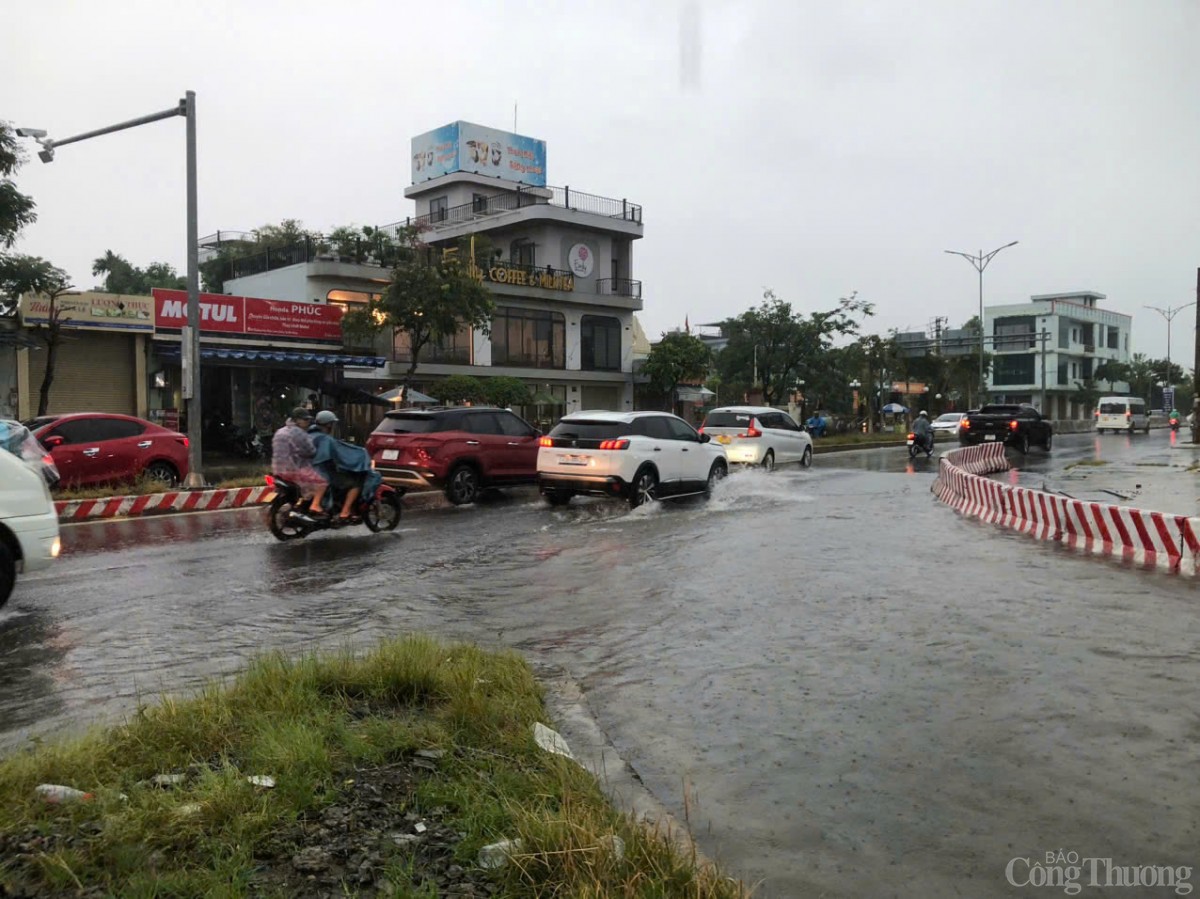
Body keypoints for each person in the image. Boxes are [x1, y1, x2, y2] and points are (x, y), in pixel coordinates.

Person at [308, 409, 379, 525]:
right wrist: (361, 453)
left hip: (306, 471)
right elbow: (343, 453)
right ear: (329, 424)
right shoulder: (326, 440)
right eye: (332, 424)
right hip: (321, 473)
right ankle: (345, 512)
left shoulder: (309, 435)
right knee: (354, 484)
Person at [271, 407, 329, 519]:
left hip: (277, 469)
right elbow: (310, 451)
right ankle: (316, 506)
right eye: (305, 420)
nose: (308, 423)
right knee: (322, 482)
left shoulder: (280, 431)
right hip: (293, 469)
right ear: (297, 420)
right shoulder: (298, 433)